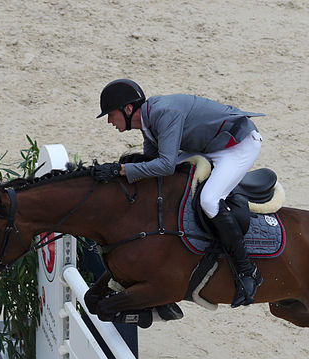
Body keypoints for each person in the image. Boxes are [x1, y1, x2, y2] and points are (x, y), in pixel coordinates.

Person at [95, 78, 264, 307]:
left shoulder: (163, 113)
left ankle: (247, 270)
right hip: (208, 146)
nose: (109, 121)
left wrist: (123, 169)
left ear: (127, 109)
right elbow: (154, 163)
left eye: (110, 114)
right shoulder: (148, 123)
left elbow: (165, 165)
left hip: (237, 146)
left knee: (209, 200)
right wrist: (117, 171)